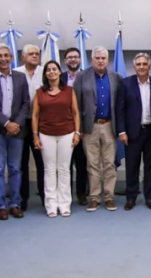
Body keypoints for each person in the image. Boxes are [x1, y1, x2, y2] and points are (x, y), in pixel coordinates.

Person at [0, 45, 29, 220]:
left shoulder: (21, 77)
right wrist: (6, 123)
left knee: (16, 169)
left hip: (17, 131)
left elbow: (26, 103)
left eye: (6, 55)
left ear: (11, 58)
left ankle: (15, 203)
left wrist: (16, 124)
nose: (3, 59)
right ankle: (0, 205)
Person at [74, 47, 121, 212]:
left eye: (103, 58)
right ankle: (94, 198)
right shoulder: (82, 76)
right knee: (92, 164)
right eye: (97, 58)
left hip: (109, 126)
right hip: (90, 127)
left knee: (109, 163)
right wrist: (79, 129)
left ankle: (109, 197)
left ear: (107, 60)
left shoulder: (116, 77)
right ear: (92, 59)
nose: (100, 61)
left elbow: (120, 104)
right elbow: (76, 104)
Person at [32, 61, 81, 217]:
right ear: (45, 74)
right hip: (46, 134)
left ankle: (65, 204)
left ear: (60, 72)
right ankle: (51, 205)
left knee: (64, 169)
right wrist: (35, 136)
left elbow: (75, 113)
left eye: (54, 69)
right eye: (48, 70)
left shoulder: (69, 91)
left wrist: (77, 133)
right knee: (49, 170)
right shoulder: (40, 92)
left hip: (67, 133)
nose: (51, 72)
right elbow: (35, 115)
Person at [118, 52, 151, 210]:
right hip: (132, 133)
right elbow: (120, 109)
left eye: (144, 64)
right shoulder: (125, 84)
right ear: (134, 67)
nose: (141, 67)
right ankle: (131, 198)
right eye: (138, 64)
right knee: (132, 167)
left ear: (149, 66)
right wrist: (122, 131)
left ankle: (149, 197)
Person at [15, 44, 45, 210]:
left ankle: (46, 198)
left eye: (37, 54)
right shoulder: (15, 73)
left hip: (41, 123)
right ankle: (22, 200)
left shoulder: (45, 72)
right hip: (20, 123)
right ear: (23, 57)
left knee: (42, 162)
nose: (35, 56)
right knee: (21, 163)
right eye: (31, 54)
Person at [62, 47, 88, 206]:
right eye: (70, 57)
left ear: (80, 59)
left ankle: (81, 194)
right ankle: (66, 194)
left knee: (81, 163)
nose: (73, 59)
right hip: (64, 127)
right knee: (65, 164)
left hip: (83, 128)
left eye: (76, 57)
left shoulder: (87, 76)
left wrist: (82, 128)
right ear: (65, 61)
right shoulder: (59, 77)